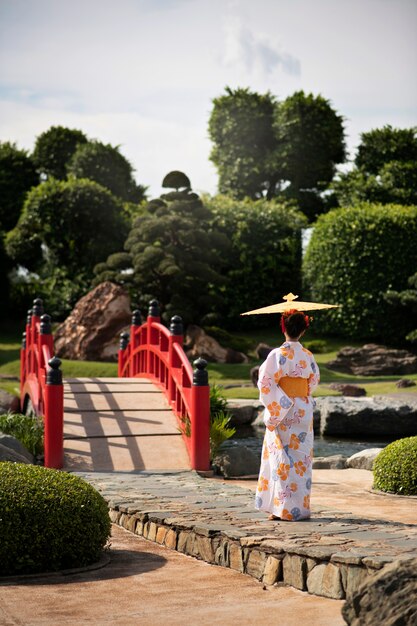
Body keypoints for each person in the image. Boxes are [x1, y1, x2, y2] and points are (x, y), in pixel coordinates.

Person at [255, 309, 320, 521]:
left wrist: (278, 406)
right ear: (303, 330)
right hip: (302, 410)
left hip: (283, 410)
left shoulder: (276, 355)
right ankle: (299, 508)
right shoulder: (308, 355)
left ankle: (279, 508)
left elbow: (265, 383)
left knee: (281, 459)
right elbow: (313, 382)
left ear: (283, 327)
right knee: (301, 460)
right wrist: (301, 396)